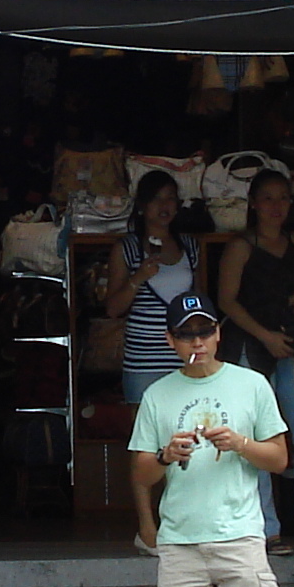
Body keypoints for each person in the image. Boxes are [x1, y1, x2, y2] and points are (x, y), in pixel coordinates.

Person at [128, 294, 292, 587]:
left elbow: (279, 459)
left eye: (204, 331)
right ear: (170, 340)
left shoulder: (251, 384)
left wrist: (240, 444)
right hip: (181, 538)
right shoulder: (157, 394)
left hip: (238, 532)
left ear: (218, 334)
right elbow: (141, 471)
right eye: (185, 334)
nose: (196, 342)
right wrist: (166, 455)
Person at [218, 170, 294, 550]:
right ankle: (267, 529)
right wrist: (264, 336)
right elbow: (226, 301)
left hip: (293, 350)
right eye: (268, 199)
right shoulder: (241, 246)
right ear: (253, 204)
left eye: (283, 198)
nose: (276, 206)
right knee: (257, 441)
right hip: (252, 349)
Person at [106, 169, 198, 411]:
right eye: (156, 198)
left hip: (184, 357)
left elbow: (200, 304)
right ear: (142, 206)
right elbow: (113, 308)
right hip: (144, 361)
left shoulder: (190, 246)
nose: (164, 205)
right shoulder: (126, 248)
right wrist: (139, 277)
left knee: (186, 435)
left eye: (170, 198)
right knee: (146, 439)